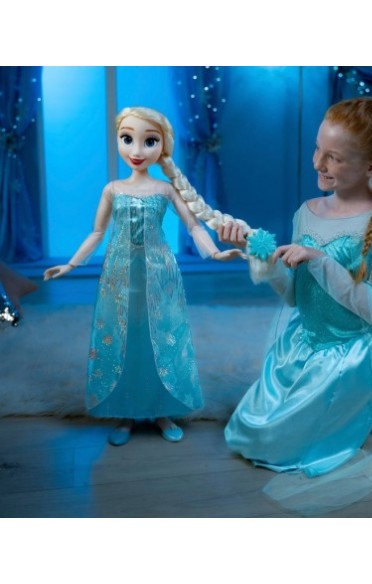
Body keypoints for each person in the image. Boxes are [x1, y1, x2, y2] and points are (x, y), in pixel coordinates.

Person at [219, 97, 372, 516]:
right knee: (249, 433)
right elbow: (295, 296)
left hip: (351, 353)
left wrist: (321, 261)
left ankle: (347, 410)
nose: (318, 163)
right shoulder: (307, 212)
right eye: (318, 149)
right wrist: (259, 253)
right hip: (303, 343)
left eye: (334, 158)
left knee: (276, 444)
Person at [44, 106, 242, 446]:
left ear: (162, 146)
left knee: (159, 336)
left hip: (158, 271)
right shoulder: (113, 189)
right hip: (120, 274)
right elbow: (97, 232)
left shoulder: (165, 190)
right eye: (127, 139)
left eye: (149, 141)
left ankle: (162, 409)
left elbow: (194, 226)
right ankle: (127, 412)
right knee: (126, 337)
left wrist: (214, 253)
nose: (137, 150)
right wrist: (71, 264)